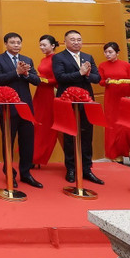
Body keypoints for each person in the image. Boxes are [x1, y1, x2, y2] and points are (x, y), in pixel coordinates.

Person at [0, 32, 42, 188]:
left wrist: (26, 74)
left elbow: (37, 80)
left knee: (27, 142)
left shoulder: (27, 60)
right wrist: (16, 72)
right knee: (8, 141)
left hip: (25, 107)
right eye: (12, 42)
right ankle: (9, 172)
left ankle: (26, 173)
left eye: (18, 42)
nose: (16, 45)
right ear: (6, 44)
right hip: (8, 108)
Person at [51, 29, 103, 185]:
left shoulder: (88, 57)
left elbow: (97, 78)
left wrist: (87, 75)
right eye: (72, 39)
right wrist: (79, 73)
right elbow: (60, 78)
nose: (76, 42)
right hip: (68, 101)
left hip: (86, 101)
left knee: (87, 135)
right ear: (65, 41)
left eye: (79, 39)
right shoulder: (59, 57)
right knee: (69, 135)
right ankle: (71, 168)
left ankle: (87, 168)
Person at [98, 42, 130, 164]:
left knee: (128, 126)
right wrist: (106, 81)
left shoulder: (126, 65)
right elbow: (100, 82)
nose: (107, 54)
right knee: (113, 126)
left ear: (117, 53)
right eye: (106, 52)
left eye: (110, 52)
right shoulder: (102, 66)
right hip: (111, 99)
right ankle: (117, 156)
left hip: (126, 98)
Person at [33, 35, 61, 166]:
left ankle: (38, 156)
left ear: (53, 45)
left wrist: (42, 80)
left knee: (46, 126)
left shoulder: (56, 59)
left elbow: (58, 79)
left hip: (50, 93)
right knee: (37, 124)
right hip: (40, 93)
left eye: (44, 45)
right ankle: (34, 156)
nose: (41, 47)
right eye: (40, 45)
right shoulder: (43, 59)